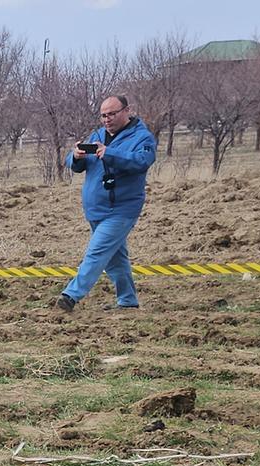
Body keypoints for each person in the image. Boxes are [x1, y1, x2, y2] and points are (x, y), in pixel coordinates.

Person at [54, 93, 157, 313]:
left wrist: (110, 153)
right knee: (115, 259)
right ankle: (128, 300)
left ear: (127, 111)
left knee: (97, 252)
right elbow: (75, 165)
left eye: (112, 114)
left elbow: (141, 161)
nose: (107, 119)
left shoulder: (142, 137)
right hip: (95, 209)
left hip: (121, 209)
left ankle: (71, 296)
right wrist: (76, 157)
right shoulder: (97, 135)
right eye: (103, 115)